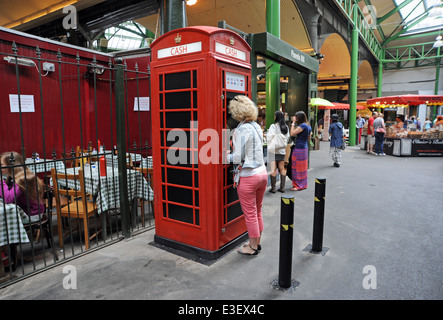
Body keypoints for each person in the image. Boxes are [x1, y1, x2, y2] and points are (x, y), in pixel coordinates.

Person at [227, 95, 267, 256]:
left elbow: (237, 157)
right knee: (258, 211)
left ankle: (251, 247)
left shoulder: (241, 129)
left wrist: (220, 156)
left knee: (250, 214)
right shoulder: (256, 126)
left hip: (249, 177)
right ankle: (257, 243)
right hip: (262, 173)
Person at [0, 151, 45, 218]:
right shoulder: (12, 176)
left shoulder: (23, 178)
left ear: (11, 165)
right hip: (23, 210)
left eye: (1, 165)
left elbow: (8, 199)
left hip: (32, 214)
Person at [267, 111, 290, 193]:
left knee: (273, 169)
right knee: (282, 168)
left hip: (273, 150)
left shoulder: (273, 126)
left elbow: (269, 137)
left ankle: (273, 188)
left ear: (276, 116)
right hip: (282, 150)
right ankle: (282, 188)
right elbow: (287, 138)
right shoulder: (286, 127)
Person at [289, 111, 312, 191]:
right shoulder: (308, 125)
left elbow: (292, 133)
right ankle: (303, 184)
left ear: (299, 118)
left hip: (299, 148)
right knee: (303, 167)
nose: (295, 118)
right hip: (304, 148)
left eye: (296, 117)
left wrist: (293, 123)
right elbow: (309, 138)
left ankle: (298, 185)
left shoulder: (302, 126)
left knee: (296, 167)